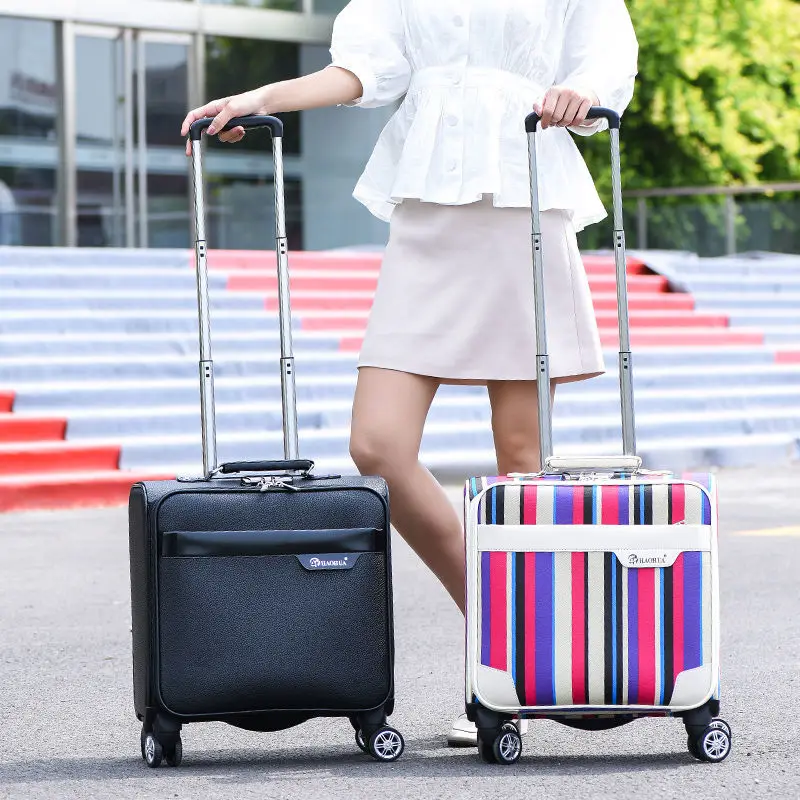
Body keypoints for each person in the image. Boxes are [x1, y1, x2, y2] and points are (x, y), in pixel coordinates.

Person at [181, 0, 638, 747]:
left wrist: (580, 92)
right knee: (379, 445)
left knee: (521, 462)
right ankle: (512, 635)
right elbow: (361, 71)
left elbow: (605, 63)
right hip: (427, 212)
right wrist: (262, 97)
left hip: (525, 194)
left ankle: (503, 674)